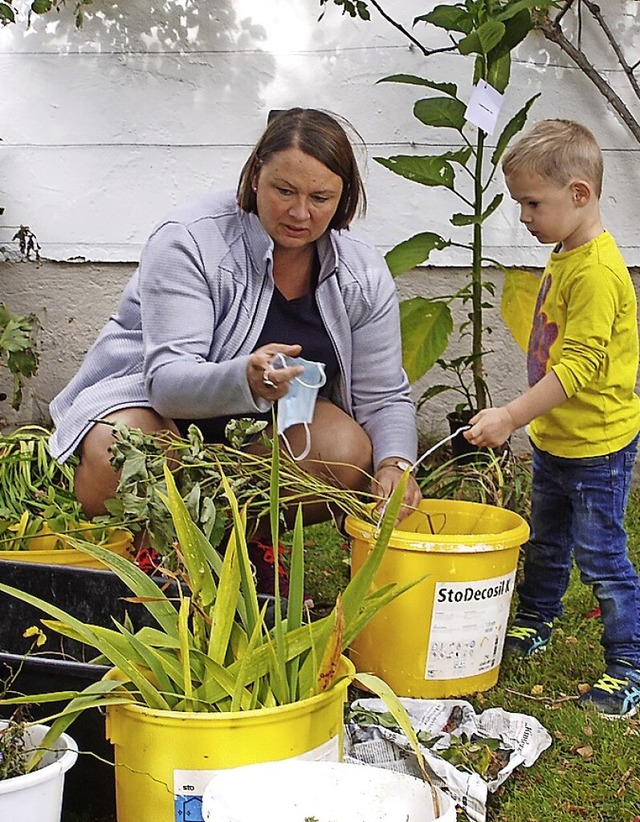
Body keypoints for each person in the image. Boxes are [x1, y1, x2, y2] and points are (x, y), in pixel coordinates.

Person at [48, 107, 422, 591]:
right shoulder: (190, 239)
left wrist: (396, 464)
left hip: (255, 429)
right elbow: (166, 384)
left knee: (348, 450)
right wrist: (245, 378)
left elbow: (383, 393)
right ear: (254, 174)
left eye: (320, 197)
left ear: (344, 198)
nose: (300, 212)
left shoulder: (360, 272)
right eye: (283, 190)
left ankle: (250, 547)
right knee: (126, 447)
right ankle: (146, 563)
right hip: (152, 405)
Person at [465, 119, 640, 719]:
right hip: (556, 441)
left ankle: (628, 664)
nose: (524, 217)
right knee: (546, 542)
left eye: (532, 203)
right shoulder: (566, 253)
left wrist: (511, 415)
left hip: (597, 448)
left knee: (601, 557)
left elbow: (580, 366)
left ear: (579, 194)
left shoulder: (595, 270)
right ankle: (536, 619)